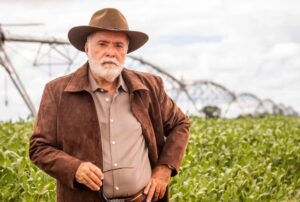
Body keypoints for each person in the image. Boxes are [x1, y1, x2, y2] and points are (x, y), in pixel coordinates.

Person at [29, 8, 189, 202]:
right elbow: (39, 148)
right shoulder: (57, 92)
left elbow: (180, 124)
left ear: (126, 50)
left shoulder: (150, 87)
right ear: (87, 48)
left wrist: (165, 168)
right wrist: (74, 168)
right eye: (102, 44)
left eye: (118, 45)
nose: (111, 52)